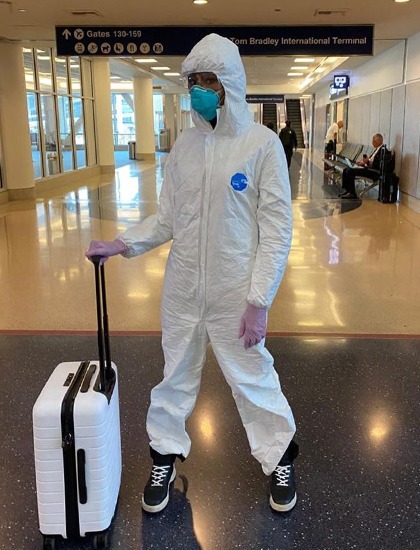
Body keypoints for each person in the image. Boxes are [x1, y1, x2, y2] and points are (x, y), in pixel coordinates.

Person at [85, 33, 298, 515]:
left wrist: (259, 301)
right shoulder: (184, 146)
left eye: (209, 80)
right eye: (194, 81)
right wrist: (122, 243)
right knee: (174, 378)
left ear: (230, 85)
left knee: (253, 379)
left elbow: (277, 230)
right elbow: (168, 219)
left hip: (234, 291)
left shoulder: (262, 145)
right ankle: (163, 458)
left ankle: (280, 458)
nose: (200, 89)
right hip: (183, 288)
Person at [339, 133, 384, 199]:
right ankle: (347, 190)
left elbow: (378, 165)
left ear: (379, 141)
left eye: (374, 141)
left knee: (350, 171)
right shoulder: (377, 150)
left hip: (374, 172)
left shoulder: (382, 151)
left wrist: (367, 162)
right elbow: (372, 161)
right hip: (369, 169)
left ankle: (352, 193)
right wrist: (363, 163)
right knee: (345, 170)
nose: (372, 143)